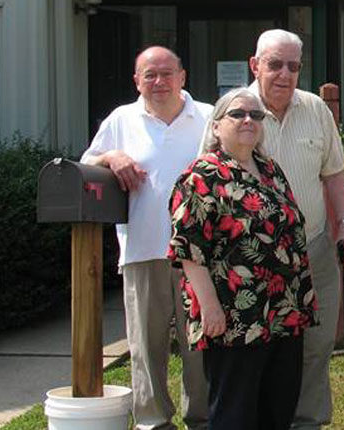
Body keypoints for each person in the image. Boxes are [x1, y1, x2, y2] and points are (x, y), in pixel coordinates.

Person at [169, 87, 318, 430]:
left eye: (256, 115)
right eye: (238, 114)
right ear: (217, 126)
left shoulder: (270, 170)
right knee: (235, 411)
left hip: (284, 308)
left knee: (277, 407)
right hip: (235, 313)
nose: (248, 120)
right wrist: (209, 308)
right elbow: (188, 250)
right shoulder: (201, 177)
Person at [80, 45, 211, 430]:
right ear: (136, 81)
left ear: (182, 77)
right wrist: (112, 157)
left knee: (201, 345)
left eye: (167, 73)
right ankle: (153, 421)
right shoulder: (121, 119)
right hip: (142, 248)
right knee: (145, 347)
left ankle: (202, 418)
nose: (159, 81)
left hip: (201, 256)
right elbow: (88, 163)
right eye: (149, 75)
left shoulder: (207, 116)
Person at [238, 29, 344, 430]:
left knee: (317, 343)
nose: (285, 74)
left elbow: (335, 174)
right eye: (275, 64)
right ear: (255, 65)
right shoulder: (234, 111)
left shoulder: (315, 109)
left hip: (314, 247)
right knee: (260, 345)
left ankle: (307, 422)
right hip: (254, 257)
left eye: (294, 66)